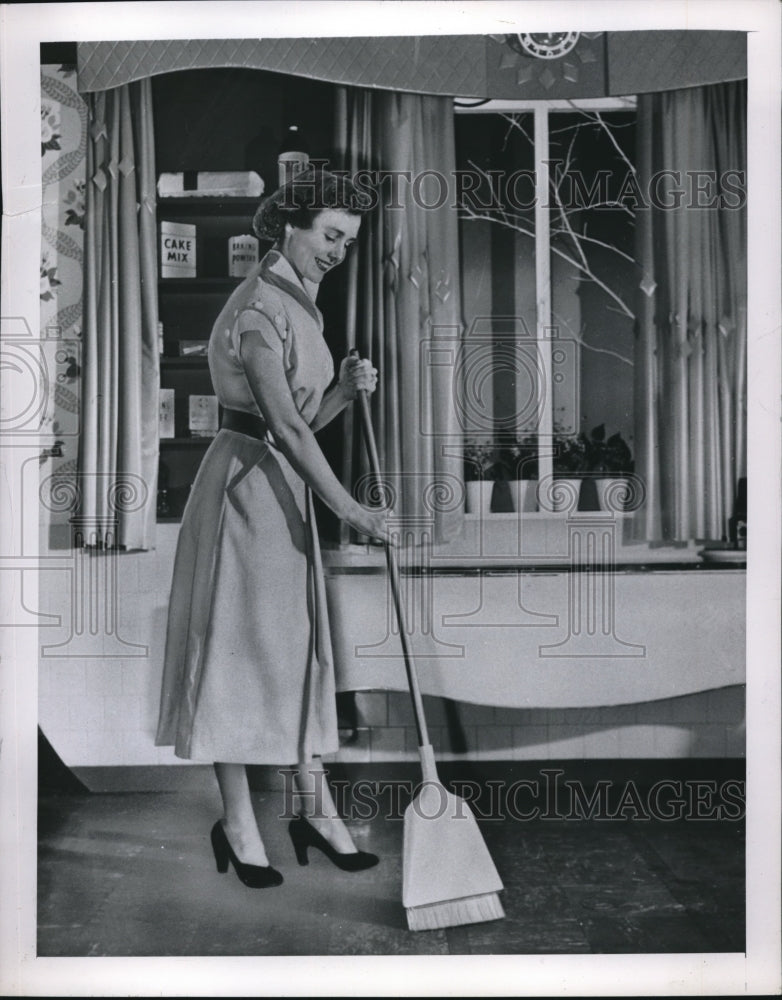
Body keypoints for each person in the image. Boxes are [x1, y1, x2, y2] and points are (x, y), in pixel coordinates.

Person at [155, 168, 390, 888]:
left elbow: (297, 421)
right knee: (234, 654)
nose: (338, 252)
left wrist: (345, 393)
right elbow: (284, 425)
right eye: (329, 235)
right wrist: (352, 510)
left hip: (278, 490)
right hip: (243, 498)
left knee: (292, 652)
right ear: (289, 224)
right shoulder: (259, 308)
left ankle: (314, 811)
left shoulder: (301, 306)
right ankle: (238, 823)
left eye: (348, 242)